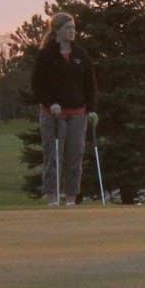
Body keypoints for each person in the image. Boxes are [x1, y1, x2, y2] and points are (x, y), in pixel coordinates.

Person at [32, 11, 98, 206]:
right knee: (52, 157)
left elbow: (90, 84)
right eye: (68, 28)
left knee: (74, 157)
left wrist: (91, 108)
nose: (72, 32)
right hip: (52, 114)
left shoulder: (80, 54)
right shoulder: (46, 55)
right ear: (58, 30)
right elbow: (38, 85)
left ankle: (70, 199)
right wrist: (50, 102)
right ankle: (52, 198)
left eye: (73, 28)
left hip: (78, 113)